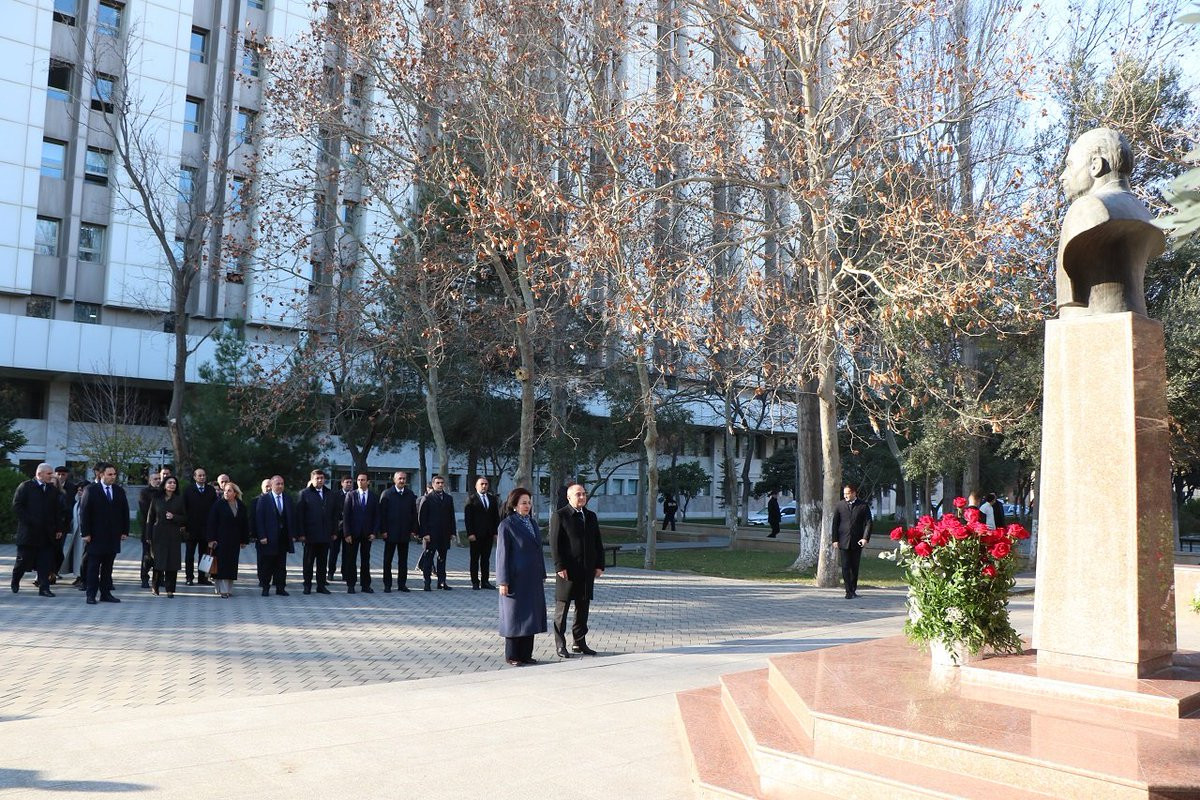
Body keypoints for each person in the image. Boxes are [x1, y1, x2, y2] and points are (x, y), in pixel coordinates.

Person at [1056, 128, 1165, 318]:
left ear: (1095, 165)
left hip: (1090, 322)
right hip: (1134, 317)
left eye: (1070, 165)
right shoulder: (1146, 214)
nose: (1062, 176)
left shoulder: (1089, 208)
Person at [549, 483, 605, 658]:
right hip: (567, 571)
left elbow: (597, 542)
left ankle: (579, 642)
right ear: (569, 497)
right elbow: (555, 543)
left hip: (586, 570)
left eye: (583, 494)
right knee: (562, 609)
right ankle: (560, 645)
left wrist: (599, 564)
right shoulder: (560, 516)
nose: (582, 497)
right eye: (578, 494)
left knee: (583, 607)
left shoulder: (590, 516)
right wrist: (559, 566)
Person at [496, 487, 547, 666]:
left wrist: (542, 572)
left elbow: (538, 550)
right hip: (515, 579)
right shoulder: (507, 525)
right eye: (523, 503)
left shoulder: (532, 523)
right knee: (514, 616)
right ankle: (512, 655)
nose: (527, 506)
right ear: (514, 505)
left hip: (532, 578)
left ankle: (526, 654)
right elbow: (502, 555)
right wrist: (503, 581)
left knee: (530, 615)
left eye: (529, 502)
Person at [78, 462, 130, 604]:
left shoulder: (118, 490)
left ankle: (105, 593)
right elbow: (84, 513)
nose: (113, 477)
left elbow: (124, 512)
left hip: (113, 535)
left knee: (108, 567)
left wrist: (125, 531)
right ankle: (91, 594)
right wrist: (85, 533)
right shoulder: (91, 490)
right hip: (95, 535)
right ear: (101, 475)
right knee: (93, 567)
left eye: (114, 474)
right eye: (109, 474)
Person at [11, 463, 65, 597]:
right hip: (29, 533)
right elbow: (17, 506)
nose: (52, 476)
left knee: (45, 562)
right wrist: (30, 521)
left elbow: (57, 511)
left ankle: (44, 588)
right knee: (23, 561)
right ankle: (15, 580)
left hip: (47, 534)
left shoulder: (52, 490)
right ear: (39, 474)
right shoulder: (26, 487)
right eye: (49, 473)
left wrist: (59, 528)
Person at [253, 475, 297, 596]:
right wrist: (262, 535)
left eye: (282, 484)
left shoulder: (287, 498)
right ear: (272, 485)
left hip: (283, 538)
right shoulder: (264, 499)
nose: (280, 486)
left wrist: (293, 534)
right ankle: (265, 587)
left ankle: (280, 588)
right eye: (278, 484)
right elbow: (259, 519)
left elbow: (292, 517)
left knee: (281, 565)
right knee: (267, 564)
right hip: (269, 538)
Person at [297, 469, 337, 594]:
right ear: (312, 479)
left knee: (322, 563)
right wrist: (301, 533)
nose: (320, 480)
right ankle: (307, 585)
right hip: (310, 535)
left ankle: (321, 585)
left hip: (325, 535)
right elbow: (299, 515)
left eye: (322, 478)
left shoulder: (330, 494)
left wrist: (334, 532)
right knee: (308, 562)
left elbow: (334, 515)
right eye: (317, 478)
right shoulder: (304, 494)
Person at [207, 482, 250, 598]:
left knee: (232, 564)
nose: (226, 493)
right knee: (222, 564)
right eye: (225, 491)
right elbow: (211, 523)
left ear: (235, 493)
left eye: (229, 491)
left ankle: (228, 589)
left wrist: (244, 540)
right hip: (220, 540)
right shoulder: (218, 505)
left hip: (234, 540)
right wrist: (211, 539)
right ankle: (222, 590)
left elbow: (244, 524)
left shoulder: (241, 506)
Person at [146, 476, 187, 597]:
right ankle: (155, 586)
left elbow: (185, 518)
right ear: (164, 485)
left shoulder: (179, 499)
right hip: (158, 533)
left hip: (173, 534)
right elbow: (150, 517)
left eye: (174, 483)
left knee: (172, 563)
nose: (172, 484)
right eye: (170, 482)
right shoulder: (156, 498)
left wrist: (174, 517)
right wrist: (148, 535)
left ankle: (170, 589)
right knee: (158, 561)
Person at [830, 483, 871, 600]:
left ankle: (853, 589)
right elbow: (835, 523)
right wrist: (835, 539)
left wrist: (865, 538)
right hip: (843, 541)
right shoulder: (840, 505)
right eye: (844, 494)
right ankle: (848, 591)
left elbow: (868, 523)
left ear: (854, 493)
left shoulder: (863, 506)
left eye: (847, 493)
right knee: (845, 566)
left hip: (857, 541)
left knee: (854, 567)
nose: (845, 496)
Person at [379, 470, 418, 592]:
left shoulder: (410, 494)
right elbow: (382, 514)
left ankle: (402, 584)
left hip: (404, 533)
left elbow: (414, 513)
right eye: (400, 478)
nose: (402, 481)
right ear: (394, 480)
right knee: (388, 560)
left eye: (404, 478)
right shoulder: (387, 494)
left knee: (403, 561)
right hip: (390, 533)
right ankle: (387, 584)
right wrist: (383, 530)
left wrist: (413, 529)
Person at [341, 472, 379, 593]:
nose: (360, 482)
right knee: (351, 559)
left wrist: (374, 532)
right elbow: (346, 515)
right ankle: (351, 584)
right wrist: (347, 533)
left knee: (365, 559)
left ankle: (365, 585)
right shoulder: (351, 495)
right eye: (358, 480)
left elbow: (377, 516)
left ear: (368, 482)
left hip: (367, 533)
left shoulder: (373, 496)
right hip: (353, 533)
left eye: (363, 480)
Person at [417, 474, 456, 591]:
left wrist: (452, 532)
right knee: (428, 559)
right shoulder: (427, 498)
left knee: (442, 559)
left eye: (442, 483)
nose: (440, 485)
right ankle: (427, 583)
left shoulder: (448, 498)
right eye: (437, 483)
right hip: (431, 534)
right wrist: (424, 534)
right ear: (433, 484)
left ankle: (442, 582)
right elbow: (422, 518)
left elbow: (451, 516)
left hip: (444, 534)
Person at [183, 467, 218, 586]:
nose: (202, 477)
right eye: (199, 475)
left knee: (204, 555)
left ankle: (202, 578)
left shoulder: (210, 490)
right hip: (191, 528)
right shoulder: (188, 490)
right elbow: (184, 508)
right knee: (189, 555)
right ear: (194, 477)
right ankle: (189, 577)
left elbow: (214, 509)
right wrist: (184, 525)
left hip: (206, 529)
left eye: (204, 475)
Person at [463, 476, 499, 590]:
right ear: (476, 486)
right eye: (482, 484)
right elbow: (468, 518)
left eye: (486, 484)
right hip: (476, 534)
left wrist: (495, 532)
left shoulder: (492, 499)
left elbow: (495, 517)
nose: (484, 486)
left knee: (486, 559)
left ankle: (485, 581)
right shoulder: (471, 499)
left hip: (488, 534)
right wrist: (470, 533)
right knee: (475, 559)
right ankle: (475, 581)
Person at [136, 471, 162, 589]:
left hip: (162, 529)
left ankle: (159, 579)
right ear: (150, 480)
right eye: (155, 479)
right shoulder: (144, 492)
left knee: (160, 555)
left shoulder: (163, 492)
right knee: (147, 555)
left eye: (159, 478)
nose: (158, 481)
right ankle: (144, 578)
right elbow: (145, 510)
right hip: (149, 528)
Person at [327, 476, 352, 583]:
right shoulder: (335, 495)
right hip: (336, 528)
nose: (349, 484)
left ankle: (345, 573)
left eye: (350, 482)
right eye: (347, 482)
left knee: (347, 553)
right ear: (342, 483)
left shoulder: (353, 495)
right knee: (334, 551)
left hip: (348, 529)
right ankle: (331, 572)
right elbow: (331, 511)